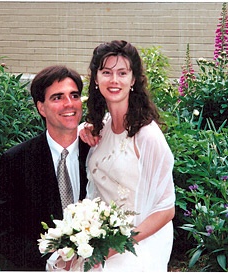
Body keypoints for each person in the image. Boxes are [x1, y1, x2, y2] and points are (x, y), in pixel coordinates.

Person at [80, 40, 176, 271]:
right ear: (96, 79)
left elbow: (166, 209)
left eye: (122, 73)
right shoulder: (100, 128)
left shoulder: (147, 136)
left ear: (133, 80)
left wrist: (117, 246)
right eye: (106, 72)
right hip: (103, 235)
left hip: (140, 240)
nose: (114, 80)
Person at [0, 65, 90, 271]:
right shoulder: (17, 160)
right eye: (57, 98)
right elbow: (5, 236)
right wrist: (51, 261)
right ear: (41, 107)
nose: (69, 104)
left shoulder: (96, 153)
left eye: (74, 95)